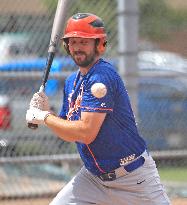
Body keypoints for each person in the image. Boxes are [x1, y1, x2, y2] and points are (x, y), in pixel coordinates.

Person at [26, 13, 171, 205]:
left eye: (84, 42)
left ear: (99, 45)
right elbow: (68, 131)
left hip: (133, 179)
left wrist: (44, 117)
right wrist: (48, 112)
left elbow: (86, 133)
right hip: (93, 179)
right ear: (66, 46)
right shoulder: (71, 82)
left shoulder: (102, 76)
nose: (78, 47)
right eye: (73, 41)